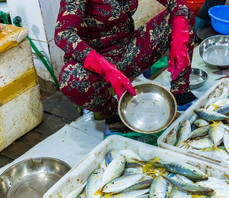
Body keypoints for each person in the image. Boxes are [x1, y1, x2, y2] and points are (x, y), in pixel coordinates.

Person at [54, 0, 197, 126]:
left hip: (128, 50)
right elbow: (63, 34)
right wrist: (104, 67)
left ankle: (180, 91)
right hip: (96, 62)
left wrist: (179, 38)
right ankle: (113, 113)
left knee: (183, 14)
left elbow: (176, 2)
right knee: (71, 79)